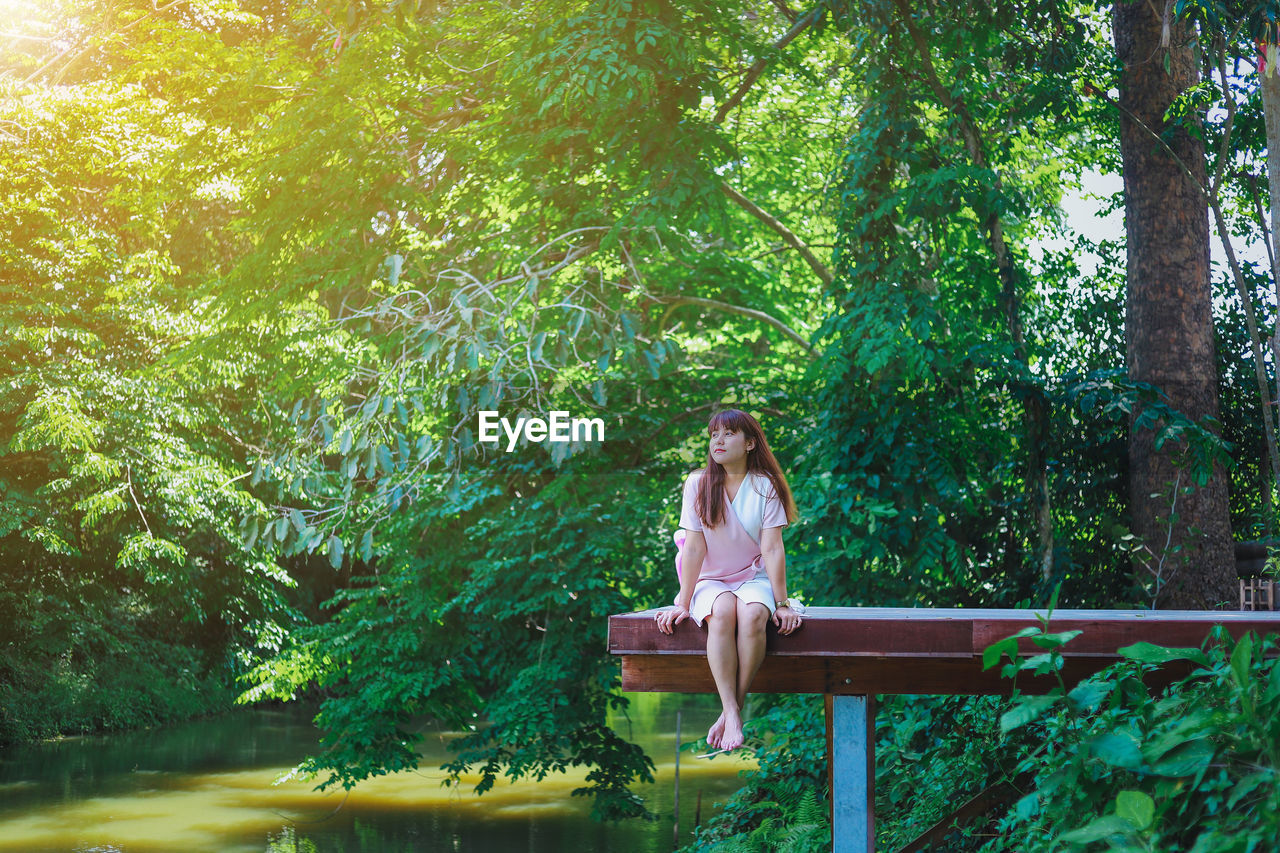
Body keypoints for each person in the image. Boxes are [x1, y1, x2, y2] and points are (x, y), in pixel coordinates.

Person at [654, 408, 801, 752]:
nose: (718, 441)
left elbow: (772, 548)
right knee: (722, 612)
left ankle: (730, 709)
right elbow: (693, 548)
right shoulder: (697, 483)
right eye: (713, 435)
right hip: (710, 579)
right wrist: (682, 601)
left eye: (728, 434)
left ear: (750, 443)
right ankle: (734, 712)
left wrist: (782, 603)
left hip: (753, 576)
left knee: (752, 615)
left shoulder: (766, 486)